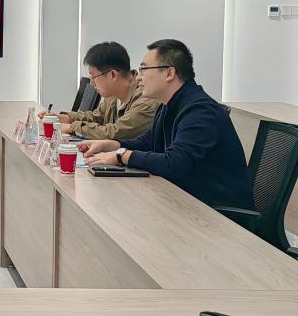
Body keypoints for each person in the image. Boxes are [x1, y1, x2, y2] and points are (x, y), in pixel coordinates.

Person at [80, 39, 254, 211]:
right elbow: (147, 143)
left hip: (217, 215)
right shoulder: (168, 105)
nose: (138, 77)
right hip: (186, 201)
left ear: (169, 73)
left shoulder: (201, 112)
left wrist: (122, 156)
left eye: (144, 69)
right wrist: (112, 145)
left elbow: (174, 163)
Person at [38, 41, 157, 140]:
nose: (91, 83)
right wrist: (62, 118)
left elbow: (114, 133)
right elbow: (96, 117)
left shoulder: (146, 101)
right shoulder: (114, 95)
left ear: (112, 75)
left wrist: (71, 128)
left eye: (93, 77)